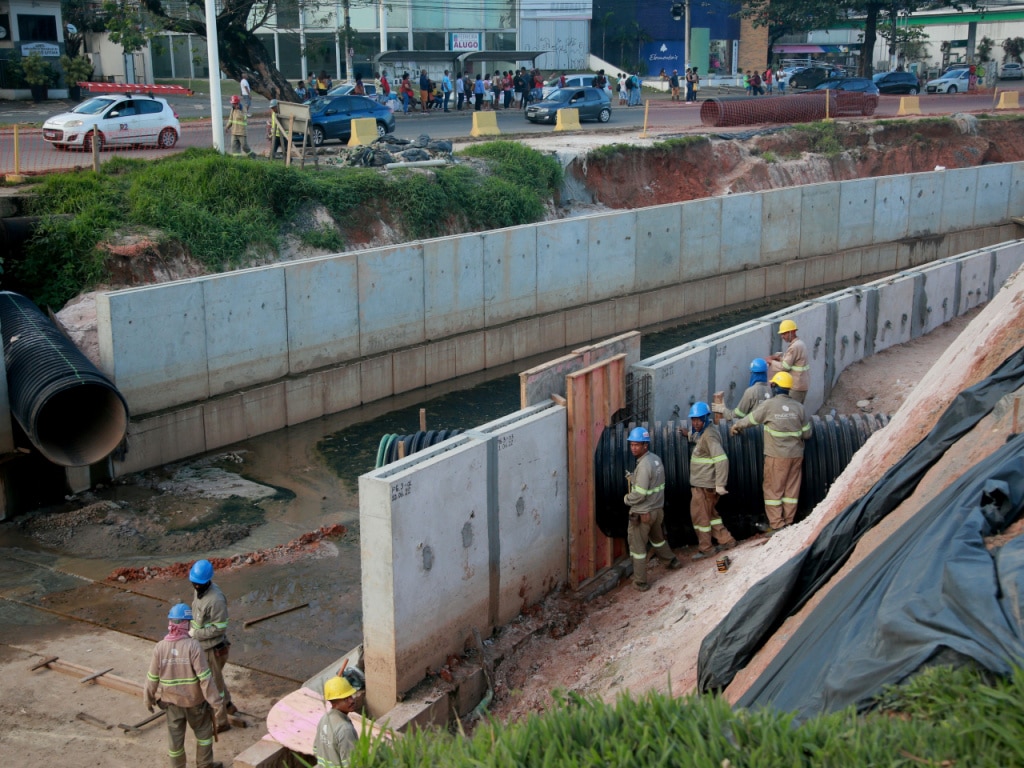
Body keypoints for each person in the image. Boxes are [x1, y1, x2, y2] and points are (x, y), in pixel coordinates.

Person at [145, 603, 226, 768]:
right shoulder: (193, 646)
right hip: (195, 703)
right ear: (185, 624)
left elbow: (152, 678)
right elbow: (205, 679)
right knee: (204, 735)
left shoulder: (160, 647)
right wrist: (217, 703)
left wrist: (148, 699)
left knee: (175, 742)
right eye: (189, 622)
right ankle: (205, 765)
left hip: (172, 704)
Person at [730, 371, 811, 534]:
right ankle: (788, 522)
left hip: (777, 456)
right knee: (791, 490)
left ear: (774, 386)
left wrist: (736, 426)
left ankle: (777, 525)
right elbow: (807, 434)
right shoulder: (799, 407)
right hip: (796, 455)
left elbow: (751, 420)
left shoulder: (769, 405)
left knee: (773, 489)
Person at [623, 426, 681, 591]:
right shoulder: (655, 460)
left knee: (638, 548)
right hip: (657, 511)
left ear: (645, 445)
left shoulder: (643, 466)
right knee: (658, 539)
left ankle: (640, 582)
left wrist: (627, 498)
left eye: (637, 445)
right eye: (632, 445)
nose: (633, 448)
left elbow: (640, 494)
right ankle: (672, 561)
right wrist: (634, 478)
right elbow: (653, 483)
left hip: (643, 514)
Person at [685, 402, 736, 559]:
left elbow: (721, 459)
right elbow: (700, 442)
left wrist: (720, 484)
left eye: (699, 420)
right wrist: (688, 434)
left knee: (700, 518)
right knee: (710, 516)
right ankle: (727, 540)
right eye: (693, 420)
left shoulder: (710, 435)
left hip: (704, 486)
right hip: (703, 485)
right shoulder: (704, 432)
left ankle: (706, 549)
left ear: (706, 418)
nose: (695, 423)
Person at [189, 559, 234, 731]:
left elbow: (219, 628)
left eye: (198, 583)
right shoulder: (199, 590)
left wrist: (196, 633)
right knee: (216, 680)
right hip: (203, 646)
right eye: (194, 582)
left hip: (213, 649)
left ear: (206, 581)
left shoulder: (216, 600)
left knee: (214, 687)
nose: (195, 585)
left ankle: (221, 722)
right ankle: (229, 705)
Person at [313, 676, 360, 768]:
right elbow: (352, 764)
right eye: (345, 699)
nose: (351, 701)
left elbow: (316, 749)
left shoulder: (325, 719)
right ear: (333, 703)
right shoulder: (345, 729)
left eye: (350, 696)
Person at [767, 318, 809, 403]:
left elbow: (784, 367)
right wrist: (779, 358)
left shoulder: (794, 347)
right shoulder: (799, 344)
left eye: (784, 333)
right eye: (782, 334)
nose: (782, 336)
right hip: (801, 384)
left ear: (792, 332)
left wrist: (770, 361)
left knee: (791, 411)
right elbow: (792, 362)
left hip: (796, 386)